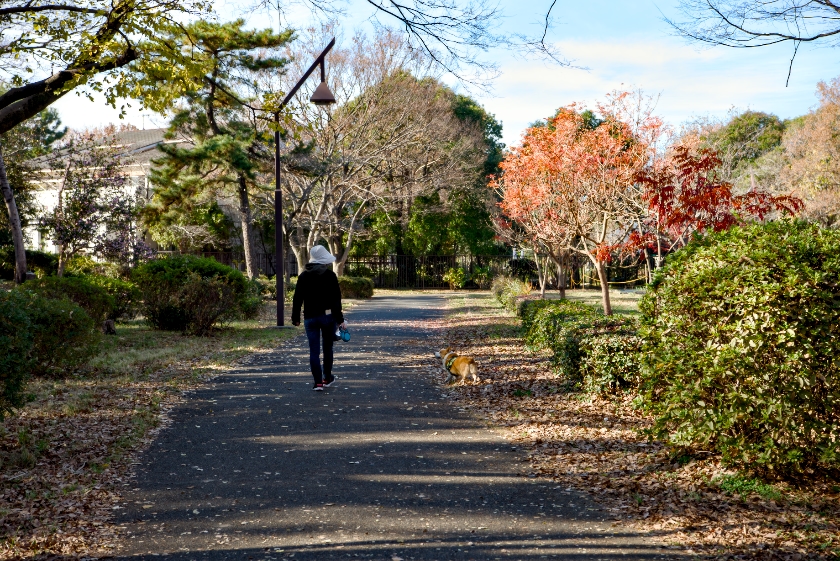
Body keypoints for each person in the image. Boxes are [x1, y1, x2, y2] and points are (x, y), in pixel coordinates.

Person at [291, 245, 346, 391]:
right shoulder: (330, 276)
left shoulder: (303, 276)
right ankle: (327, 378)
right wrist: (340, 319)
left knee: (313, 351)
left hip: (310, 318)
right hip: (328, 317)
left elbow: (297, 299)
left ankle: (318, 383)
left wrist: (295, 317)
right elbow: (336, 300)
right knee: (328, 348)